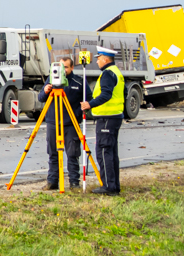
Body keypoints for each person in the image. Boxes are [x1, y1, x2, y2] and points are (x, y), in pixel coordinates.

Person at [37, 50, 84, 190]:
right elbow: (41, 98)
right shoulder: (51, 79)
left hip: (71, 123)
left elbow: (88, 100)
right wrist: (46, 91)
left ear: (72, 68)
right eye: (61, 67)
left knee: (72, 154)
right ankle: (52, 181)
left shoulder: (78, 82)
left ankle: (74, 183)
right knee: (53, 154)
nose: (63, 70)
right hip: (53, 122)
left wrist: (78, 114)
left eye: (66, 67)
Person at [81, 46, 124, 195]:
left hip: (107, 117)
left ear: (105, 59)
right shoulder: (116, 72)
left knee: (104, 152)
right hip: (114, 116)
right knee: (111, 153)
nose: (97, 61)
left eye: (99, 59)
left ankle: (109, 187)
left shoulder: (107, 74)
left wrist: (90, 104)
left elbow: (106, 94)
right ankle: (114, 186)